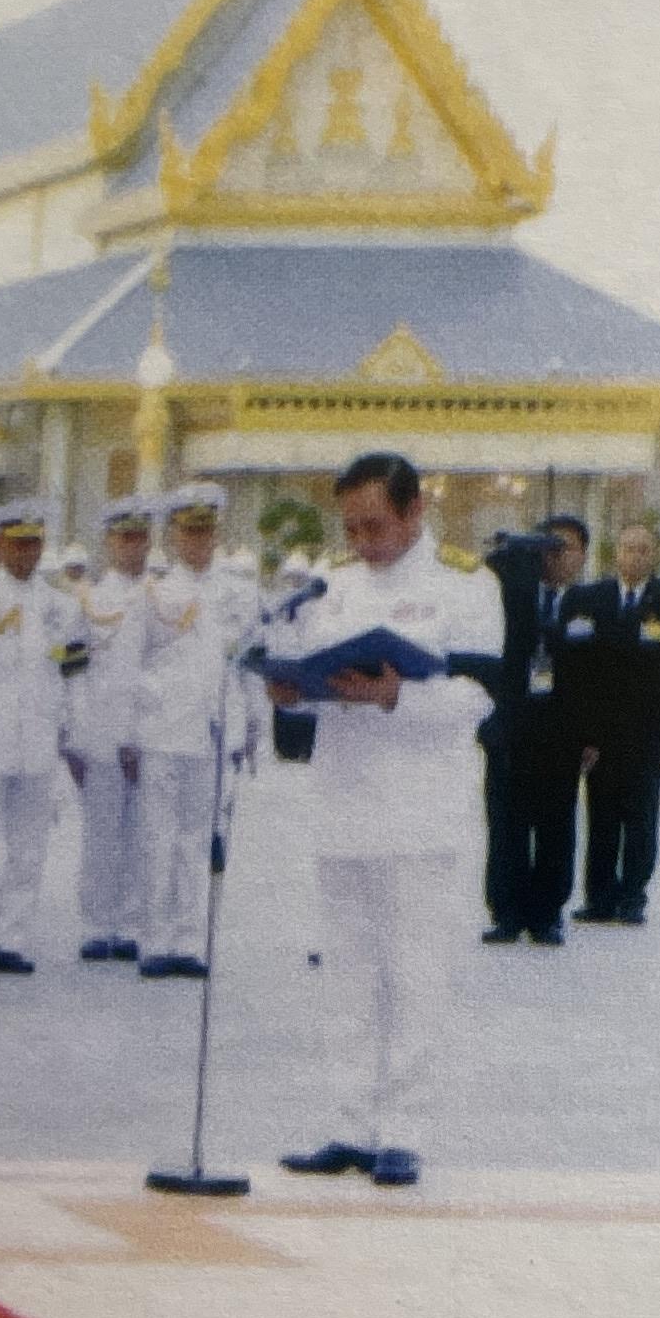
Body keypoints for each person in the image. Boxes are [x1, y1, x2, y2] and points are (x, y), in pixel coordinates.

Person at [271, 452, 487, 1190]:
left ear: (415, 511)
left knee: (414, 973)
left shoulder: (464, 582)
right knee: (348, 974)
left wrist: (397, 697)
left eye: (376, 525)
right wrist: (291, 691)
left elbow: (483, 696)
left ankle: (403, 1130)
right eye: (351, 527)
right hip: (344, 803)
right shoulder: (332, 585)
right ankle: (349, 1124)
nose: (363, 541)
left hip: (422, 811)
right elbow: (310, 671)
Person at [0, 503, 87, 973]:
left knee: (29, 846)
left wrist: (75, 739)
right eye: (16, 542)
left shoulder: (64, 606)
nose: (25, 551)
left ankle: (14, 937)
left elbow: (74, 676)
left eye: (33, 542)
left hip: (38, 737)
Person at [129, 484, 257, 978]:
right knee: (157, 838)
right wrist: (135, 726)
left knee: (198, 838)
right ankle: (154, 939)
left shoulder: (238, 593)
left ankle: (189, 939)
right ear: (173, 535)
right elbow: (132, 666)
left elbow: (247, 666)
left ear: (216, 532)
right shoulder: (155, 593)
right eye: (188, 531)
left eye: (205, 530)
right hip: (162, 730)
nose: (197, 540)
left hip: (215, 731)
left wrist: (252, 726)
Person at [562, 515, 660, 924]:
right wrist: (582, 732)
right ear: (615, 553)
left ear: (653, 555)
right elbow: (581, 669)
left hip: (648, 729)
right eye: (628, 548)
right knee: (601, 814)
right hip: (602, 730)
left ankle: (633, 895)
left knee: (641, 816)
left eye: (644, 549)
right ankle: (599, 897)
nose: (635, 556)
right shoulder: (593, 598)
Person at [477, 512, 588, 946]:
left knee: (556, 824)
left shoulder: (590, 604)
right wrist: (514, 552)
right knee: (506, 821)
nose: (553, 557)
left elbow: (603, 677)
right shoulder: (511, 593)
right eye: (546, 547)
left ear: (581, 556)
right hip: (511, 728)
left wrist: (591, 736)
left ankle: (547, 914)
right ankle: (506, 911)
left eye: (563, 549)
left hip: (562, 732)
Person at [72, 500, 155, 961]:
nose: (132, 547)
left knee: (143, 832)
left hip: (148, 729)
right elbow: (72, 666)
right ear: (108, 543)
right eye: (124, 538)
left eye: (140, 537)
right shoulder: (86, 598)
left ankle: (131, 923)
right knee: (101, 833)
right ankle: (98, 924)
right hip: (101, 730)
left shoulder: (160, 595)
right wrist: (76, 736)